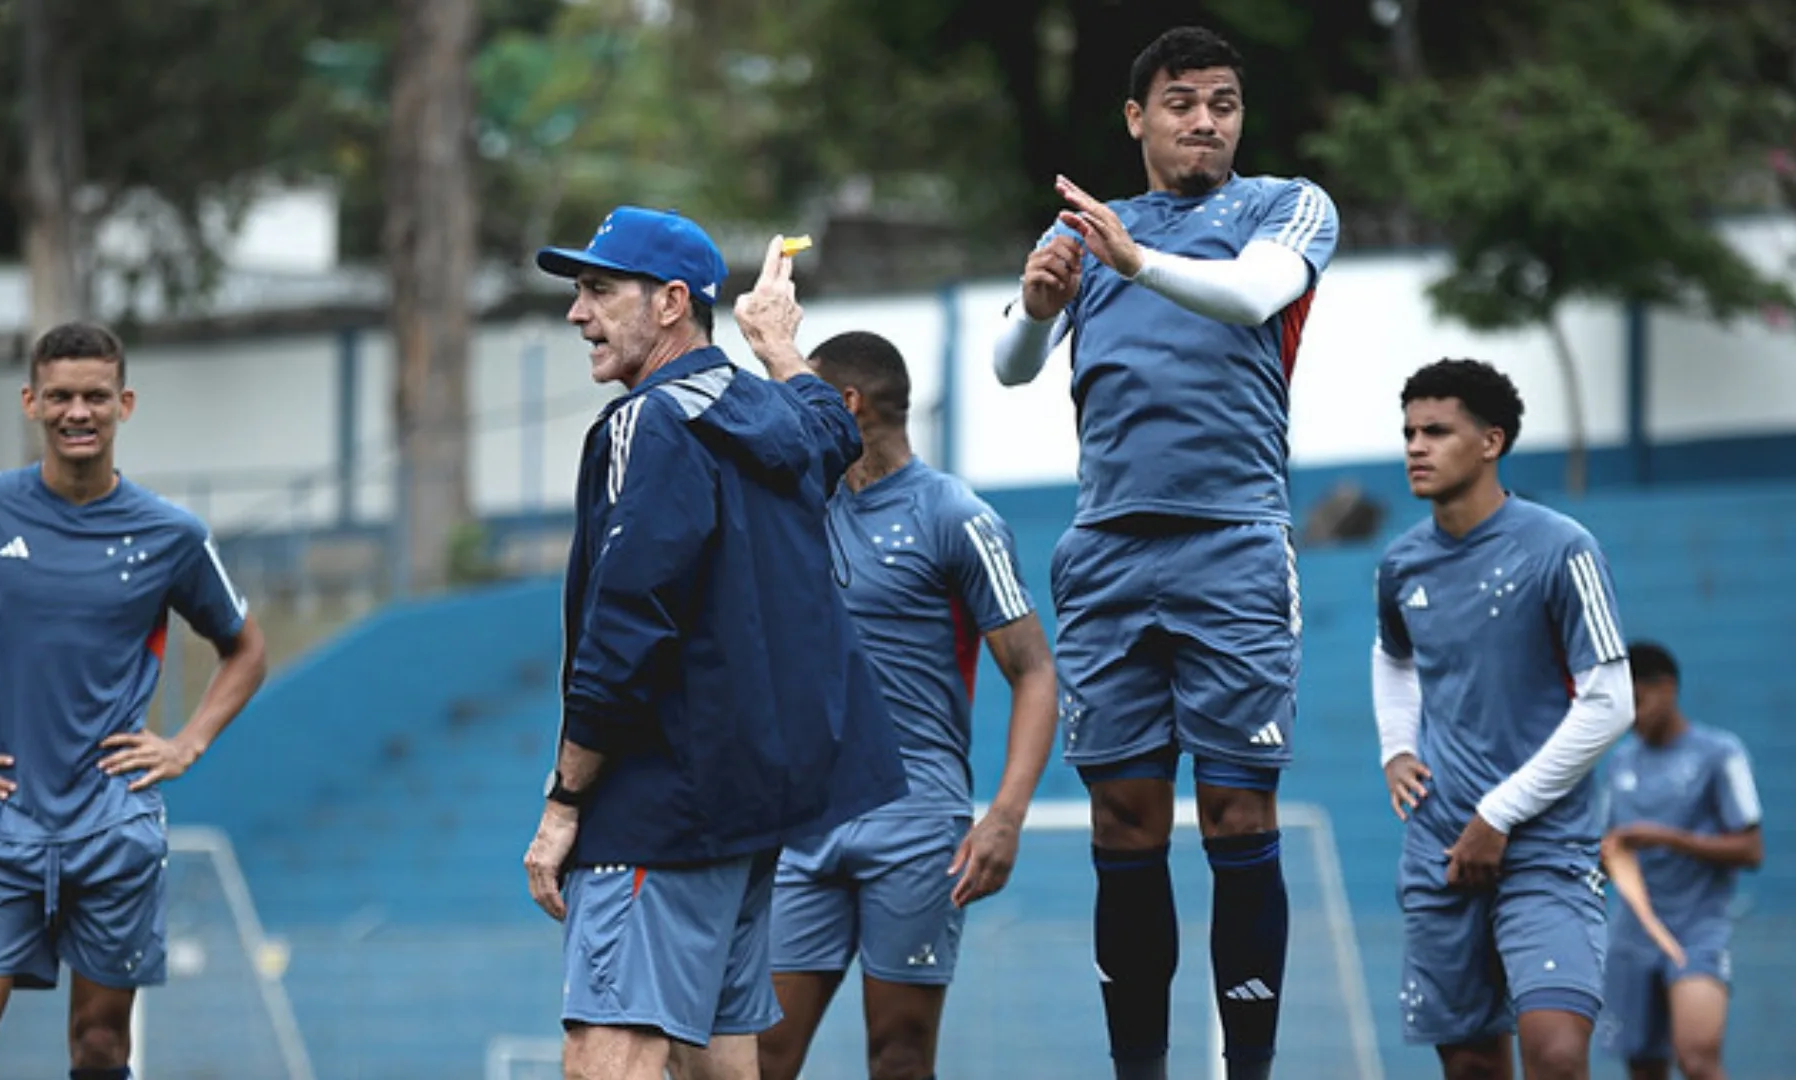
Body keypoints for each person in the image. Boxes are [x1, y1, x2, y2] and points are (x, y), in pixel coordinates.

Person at [990, 24, 1338, 1080]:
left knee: (1237, 805)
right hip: (1106, 556)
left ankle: (1249, 1069)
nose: (1205, 120)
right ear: (1136, 117)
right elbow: (1013, 362)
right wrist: (1040, 303)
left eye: (1223, 102)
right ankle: (1137, 1067)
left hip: (1232, 544)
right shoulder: (1088, 230)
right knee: (1125, 816)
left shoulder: (1288, 206)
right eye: (1182, 101)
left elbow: (1252, 294)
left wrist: (1134, 262)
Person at [521, 208, 907, 1080]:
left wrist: (566, 798)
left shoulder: (645, 425)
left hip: (657, 803)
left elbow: (627, 624)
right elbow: (830, 430)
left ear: (668, 304)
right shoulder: (769, 414)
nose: (578, 313)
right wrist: (776, 344)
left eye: (597, 290)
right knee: (719, 1065)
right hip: (750, 809)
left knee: (604, 1055)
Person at [0, 322, 269, 1080]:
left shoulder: (171, 534)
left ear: (124, 403)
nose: (77, 412)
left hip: (112, 830)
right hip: (3, 825)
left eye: (95, 396)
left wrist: (185, 744)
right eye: (59, 396)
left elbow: (245, 649)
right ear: (31, 401)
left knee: (99, 1047)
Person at [758, 331, 1058, 1080]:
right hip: (803, 826)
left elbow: (1035, 673)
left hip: (914, 823)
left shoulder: (955, 516)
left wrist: (1005, 818)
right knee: (759, 1056)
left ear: (846, 404)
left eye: (808, 396)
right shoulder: (798, 507)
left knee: (898, 1058)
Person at [1372, 358, 1635, 1079]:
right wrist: (1397, 747)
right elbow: (1392, 655)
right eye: (1408, 433)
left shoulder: (1561, 547)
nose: (1415, 448)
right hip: (1438, 851)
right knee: (1472, 1071)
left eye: (1436, 431)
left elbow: (1613, 699)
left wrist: (1500, 814)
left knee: (1554, 1056)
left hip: (1545, 849)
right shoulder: (1401, 564)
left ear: (1490, 442)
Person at [1599, 641, 1762, 1080]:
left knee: (1697, 1060)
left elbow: (1751, 849)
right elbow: (1607, 843)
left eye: (1637, 701)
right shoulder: (1620, 763)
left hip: (1696, 932)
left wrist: (1668, 838)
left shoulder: (1719, 754)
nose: (1631, 716)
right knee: (1644, 1066)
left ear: (1667, 688)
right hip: (1632, 936)